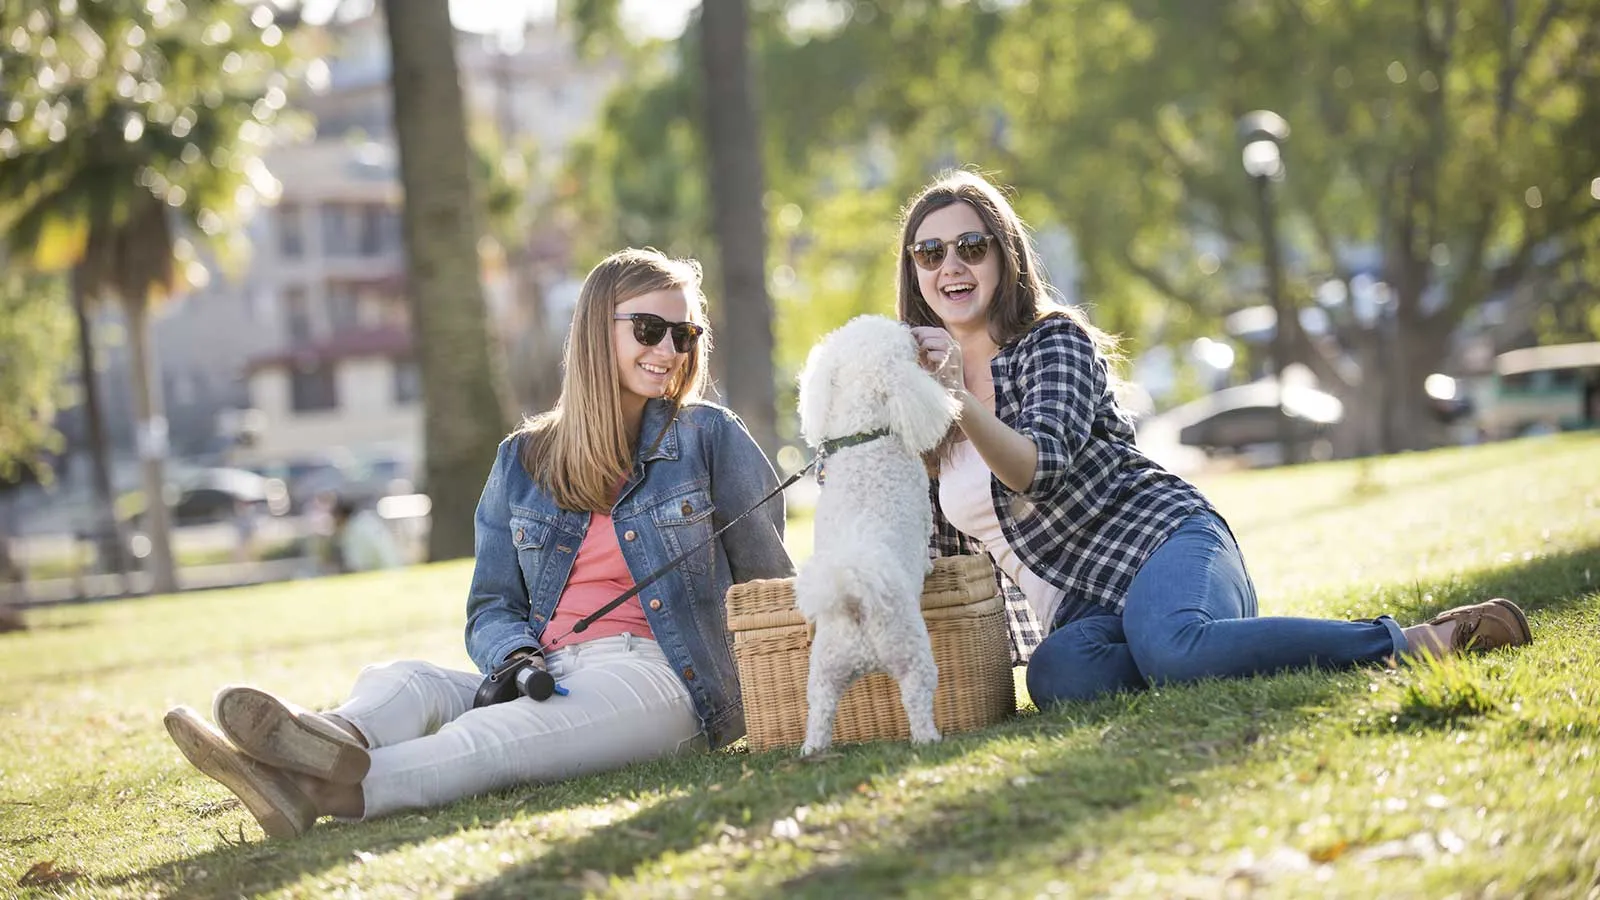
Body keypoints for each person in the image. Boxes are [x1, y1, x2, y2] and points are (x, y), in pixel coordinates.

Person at [162, 248, 794, 838]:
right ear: (596, 332)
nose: (669, 350)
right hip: (548, 671)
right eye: (650, 330)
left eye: (685, 335)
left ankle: (309, 788)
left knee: (494, 736)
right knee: (404, 680)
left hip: (665, 679)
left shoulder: (710, 436)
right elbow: (492, 605)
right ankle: (319, 737)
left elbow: (771, 583)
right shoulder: (524, 459)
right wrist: (517, 658)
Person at [896, 170, 1532, 707]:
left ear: (1004, 257)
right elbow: (946, 558)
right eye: (931, 254)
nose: (951, 266)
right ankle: (1207, 650)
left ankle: (1412, 642)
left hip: (1162, 544)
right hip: (1083, 611)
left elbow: (1040, 468)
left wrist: (958, 398)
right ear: (916, 273)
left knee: (1174, 649)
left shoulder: (1052, 342)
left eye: (971, 246)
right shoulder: (918, 393)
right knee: (1061, 678)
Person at [329, 496, 404, 572]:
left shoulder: (353, 531)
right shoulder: (365, 521)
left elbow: (357, 567)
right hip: (395, 569)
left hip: (383, 575)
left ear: (341, 516)